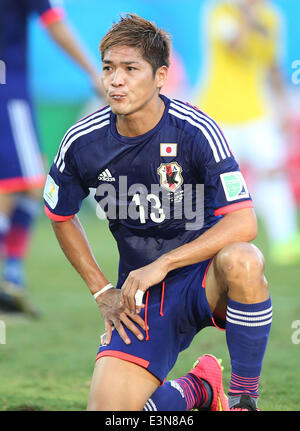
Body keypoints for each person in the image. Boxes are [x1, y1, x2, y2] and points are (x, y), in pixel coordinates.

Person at [44, 13, 272, 411]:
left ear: (161, 76)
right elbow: (60, 214)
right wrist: (101, 290)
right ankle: (199, 390)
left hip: (207, 276)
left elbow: (244, 222)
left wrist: (164, 263)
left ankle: (242, 399)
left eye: (131, 69)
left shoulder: (196, 129)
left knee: (245, 260)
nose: (116, 80)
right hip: (143, 297)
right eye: (109, 69)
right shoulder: (83, 141)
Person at [0, 0, 103, 316]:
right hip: (7, 87)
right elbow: (54, 22)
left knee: (28, 181)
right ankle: (9, 277)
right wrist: (92, 71)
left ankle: (11, 278)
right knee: (22, 184)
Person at [195, 0, 300, 265]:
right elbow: (237, 46)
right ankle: (203, 241)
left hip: (257, 112)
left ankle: (285, 241)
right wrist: (248, 15)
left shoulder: (271, 16)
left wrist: (282, 106)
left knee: (274, 172)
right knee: (213, 181)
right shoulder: (219, 11)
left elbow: (272, 64)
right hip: (219, 113)